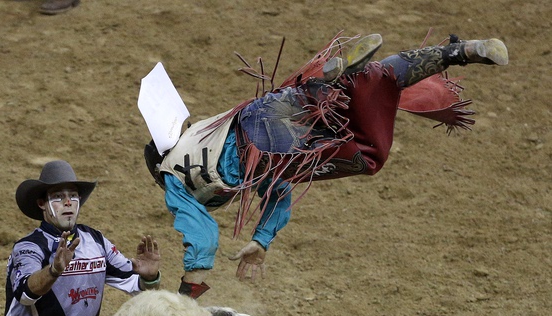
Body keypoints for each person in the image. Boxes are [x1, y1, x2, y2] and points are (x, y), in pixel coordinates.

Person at [144, 31, 508, 299]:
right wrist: (262, 240)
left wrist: (186, 296)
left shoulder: (175, 181)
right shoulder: (202, 132)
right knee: (369, 116)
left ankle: (328, 85)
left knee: (362, 151)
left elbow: (201, 235)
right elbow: (278, 192)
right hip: (273, 122)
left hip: (267, 142)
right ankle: (458, 51)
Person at [1, 160, 161, 316]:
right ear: (42, 204)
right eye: (58, 197)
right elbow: (26, 296)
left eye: (73, 196)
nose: (68, 202)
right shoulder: (29, 247)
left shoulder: (96, 241)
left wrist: (150, 278)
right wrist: (53, 271)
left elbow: (138, 288)